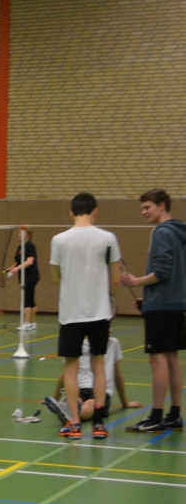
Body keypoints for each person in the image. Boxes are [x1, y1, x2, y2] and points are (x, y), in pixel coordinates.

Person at [49, 192, 122, 439]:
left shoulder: (58, 240)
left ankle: (75, 423)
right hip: (100, 312)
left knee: (70, 368)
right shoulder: (108, 238)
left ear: (71, 212)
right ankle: (99, 424)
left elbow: (55, 277)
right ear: (95, 211)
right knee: (98, 365)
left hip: (71, 313)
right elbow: (115, 278)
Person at [120, 188, 186, 432]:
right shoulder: (180, 231)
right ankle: (174, 415)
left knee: (158, 360)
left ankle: (156, 417)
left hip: (162, 306)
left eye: (147, 207)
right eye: (142, 208)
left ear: (162, 206)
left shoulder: (162, 232)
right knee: (172, 359)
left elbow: (162, 271)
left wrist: (136, 282)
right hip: (176, 303)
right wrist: (148, 298)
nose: (144, 212)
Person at [49, 327, 140, 423]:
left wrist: (125, 403)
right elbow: (66, 374)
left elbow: (117, 375)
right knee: (76, 401)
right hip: (79, 387)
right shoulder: (79, 344)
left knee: (90, 406)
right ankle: (67, 410)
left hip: (101, 390)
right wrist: (54, 398)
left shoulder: (113, 343)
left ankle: (69, 413)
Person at [7, 228, 40, 331]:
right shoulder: (20, 247)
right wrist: (12, 267)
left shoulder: (29, 246)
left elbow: (30, 261)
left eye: (21, 233)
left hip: (30, 276)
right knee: (30, 300)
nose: (18, 235)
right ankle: (33, 324)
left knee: (25, 299)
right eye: (18, 233)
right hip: (24, 276)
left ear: (28, 236)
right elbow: (20, 261)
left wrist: (17, 268)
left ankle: (27, 323)